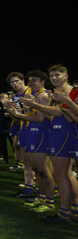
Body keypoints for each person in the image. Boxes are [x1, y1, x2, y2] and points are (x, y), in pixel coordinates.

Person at [21, 64, 78, 223]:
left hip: (64, 134)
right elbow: (57, 114)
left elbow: (61, 112)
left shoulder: (67, 91)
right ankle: (73, 210)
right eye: (52, 75)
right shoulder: (59, 92)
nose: (54, 78)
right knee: (66, 174)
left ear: (66, 76)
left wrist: (34, 105)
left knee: (61, 176)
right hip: (60, 132)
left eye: (58, 75)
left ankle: (64, 213)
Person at [8, 70, 56, 213]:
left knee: (44, 170)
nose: (31, 83)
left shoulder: (44, 95)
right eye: (30, 80)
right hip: (32, 133)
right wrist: (17, 112)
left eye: (34, 80)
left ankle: (50, 202)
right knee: (37, 170)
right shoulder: (34, 96)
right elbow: (31, 115)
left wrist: (19, 115)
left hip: (41, 134)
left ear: (43, 81)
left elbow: (41, 119)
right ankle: (42, 198)